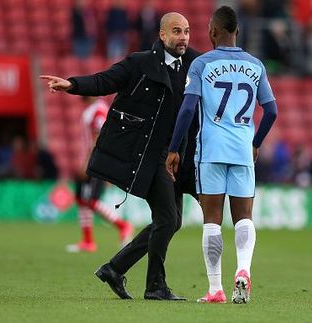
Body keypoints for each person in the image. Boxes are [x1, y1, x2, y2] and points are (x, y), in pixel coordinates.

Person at [40, 12, 199, 301]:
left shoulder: (193, 64)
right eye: (177, 31)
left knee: (171, 221)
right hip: (148, 157)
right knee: (166, 218)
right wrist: (73, 85)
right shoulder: (140, 63)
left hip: (176, 156)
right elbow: (105, 81)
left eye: (187, 31)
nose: (184, 37)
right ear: (162, 35)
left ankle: (115, 268)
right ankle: (155, 286)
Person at [166, 6, 277, 304]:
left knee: (212, 220)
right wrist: (256, 143)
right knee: (244, 218)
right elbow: (272, 110)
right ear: (237, 31)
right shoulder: (256, 65)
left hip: (211, 150)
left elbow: (188, 109)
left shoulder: (201, 64)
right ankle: (243, 270)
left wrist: (174, 148)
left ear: (212, 32)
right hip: (242, 150)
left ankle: (215, 289)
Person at [66, 97, 133, 253]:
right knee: (81, 199)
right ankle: (88, 241)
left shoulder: (99, 110)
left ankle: (122, 225)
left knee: (90, 200)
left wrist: (88, 162)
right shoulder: (91, 109)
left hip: (95, 160)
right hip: (88, 158)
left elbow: (101, 136)